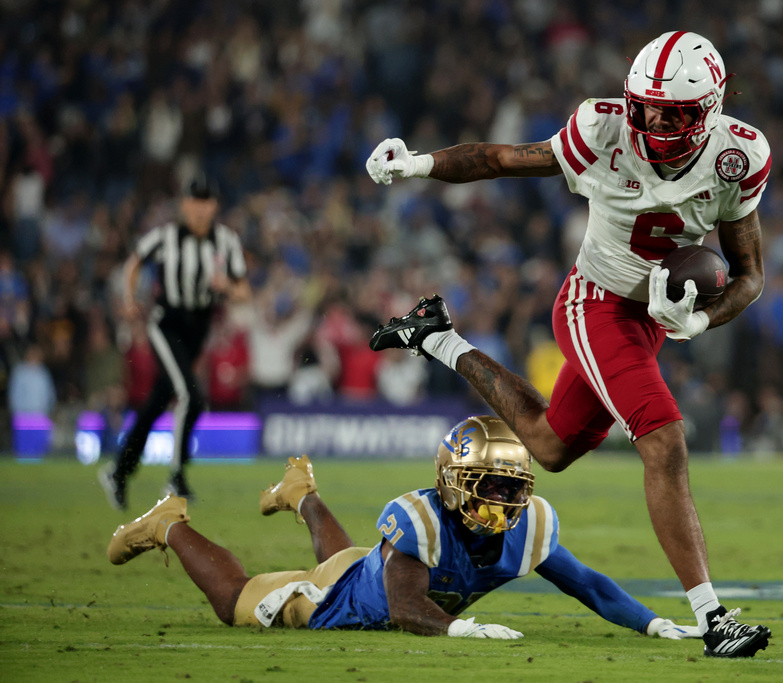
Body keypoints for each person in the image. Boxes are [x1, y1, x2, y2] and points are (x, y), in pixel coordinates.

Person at [365, 31, 771, 657]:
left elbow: (749, 276)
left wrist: (701, 322)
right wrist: (419, 163)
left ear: (710, 110)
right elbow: (502, 159)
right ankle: (715, 618)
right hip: (595, 304)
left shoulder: (738, 156)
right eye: (649, 105)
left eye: (676, 111)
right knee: (664, 441)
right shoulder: (601, 129)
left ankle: (438, 340)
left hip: (650, 322)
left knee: (550, 448)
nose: (657, 120)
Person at [106, 415, 701, 643]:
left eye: (511, 485)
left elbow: (589, 585)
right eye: (489, 484)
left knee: (354, 561)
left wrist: (651, 623)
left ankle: (301, 495)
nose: (503, 498)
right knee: (235, 601)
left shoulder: (529, 526)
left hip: (375, 571)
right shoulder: (419, 518)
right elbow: (403, 608)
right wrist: (462, 631)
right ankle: (168, 525)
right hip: (336, 601)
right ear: (452, 482)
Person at [99, 175, 250, 510]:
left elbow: (243, 290)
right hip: (166, 323)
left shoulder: (226, 240)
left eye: (205, 202)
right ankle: (177, 475)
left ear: (214, 206)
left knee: (156, 402)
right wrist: (128, 296)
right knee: (191, 396)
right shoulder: (166, 236)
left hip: (198, 329)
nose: (199, 209)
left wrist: (225, 285)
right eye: (193, 202)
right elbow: (134, 261)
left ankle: (119, 471)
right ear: (184, 205)